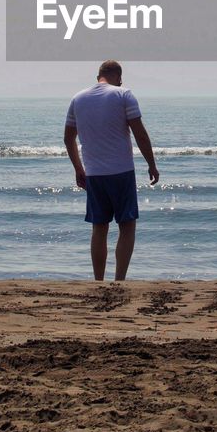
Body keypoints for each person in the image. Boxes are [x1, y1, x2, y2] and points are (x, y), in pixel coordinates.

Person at [63, 60, 160, 281]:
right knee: (127, 226)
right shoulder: (123, 95)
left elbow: (68, 138)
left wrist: (78, 168)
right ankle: (119, 281)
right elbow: (140, 133)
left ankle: (98, 281)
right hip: (121, 171)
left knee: (99, 228)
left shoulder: (78, 99)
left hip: (94, 173)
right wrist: (151, 164)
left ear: (99, 76)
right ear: (118, 76)